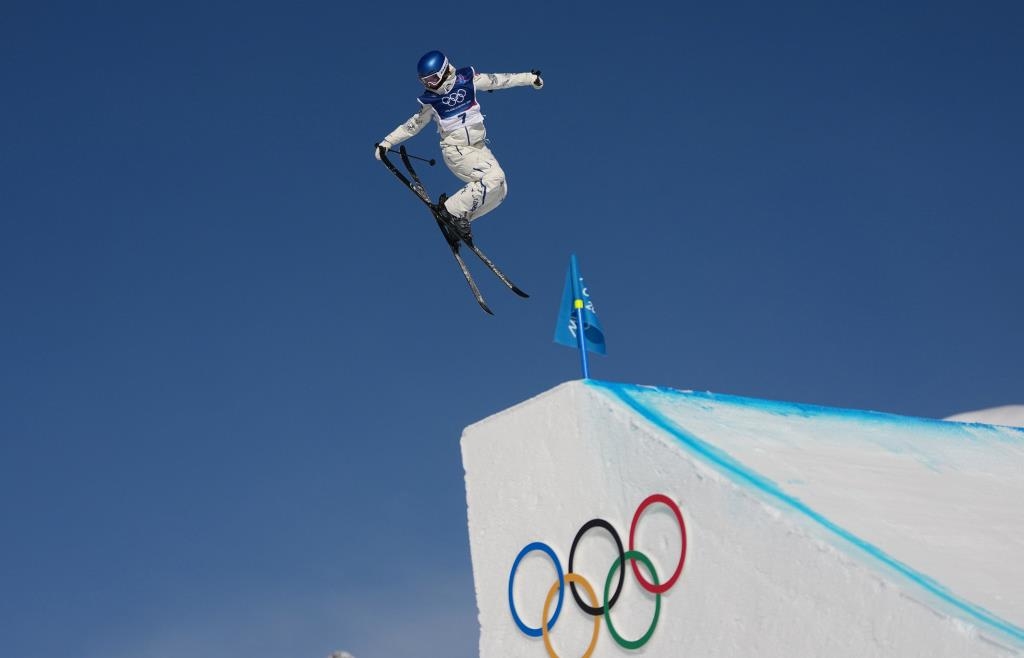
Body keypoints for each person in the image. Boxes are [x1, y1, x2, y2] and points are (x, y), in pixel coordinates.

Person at [375, 50, 543, 241]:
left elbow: (499, 80)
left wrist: (530, 78)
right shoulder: (432, 101)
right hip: (456, 150)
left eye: (432, 79)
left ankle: (459, 220)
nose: (430, 85)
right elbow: (412, 125)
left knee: (500, 190)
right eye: (425, 82)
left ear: (444, 71)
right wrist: (387, 142)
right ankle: (450, 210)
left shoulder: (467, 80)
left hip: (479, 147)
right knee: (494, 177)